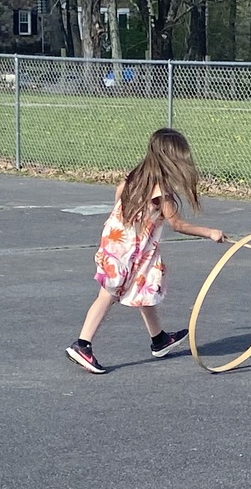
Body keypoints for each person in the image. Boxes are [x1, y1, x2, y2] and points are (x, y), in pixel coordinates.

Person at [65, 128, 225, 374]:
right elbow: (177, 224)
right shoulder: (161, 191)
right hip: (127, 250)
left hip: (119, 243)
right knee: (107, 294)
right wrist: (210, 232)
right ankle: (82, 344)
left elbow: (119, 194)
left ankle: (159, 339)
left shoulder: (136, 176)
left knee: (144, 285)